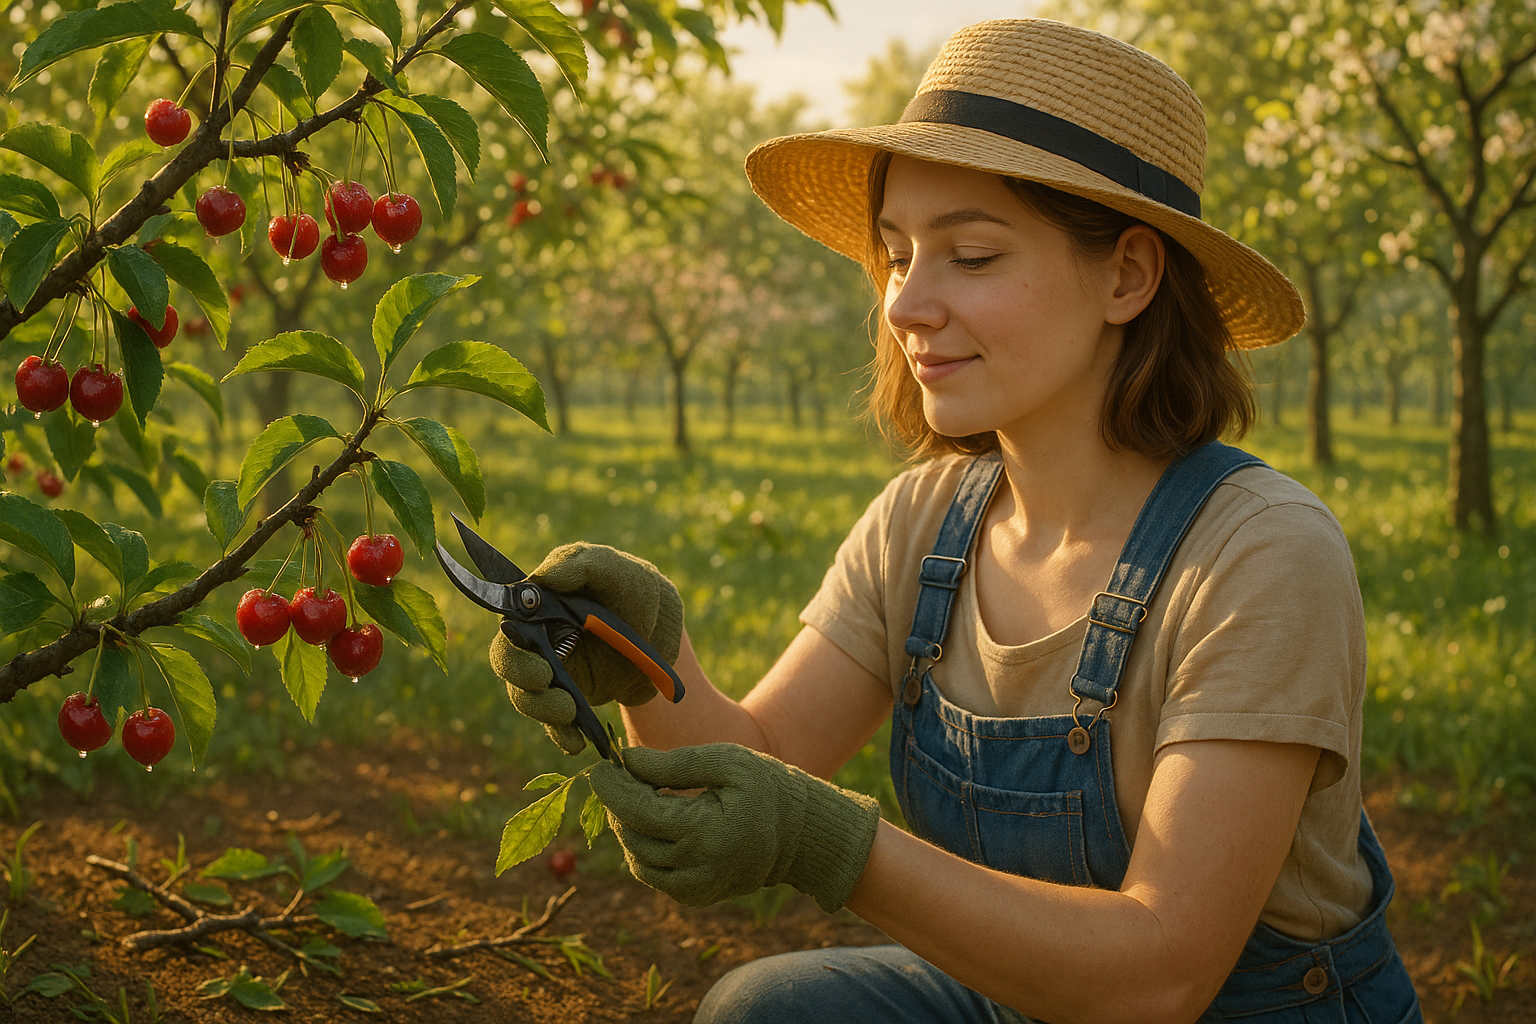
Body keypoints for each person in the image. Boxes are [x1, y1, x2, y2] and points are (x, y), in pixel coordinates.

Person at [489, 19, 1422, 1024]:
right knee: (763, 1010)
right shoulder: (927, 521)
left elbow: (1160, 974)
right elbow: (759, 756)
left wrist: (834, 847)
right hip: (1022, 999)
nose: (905, 304)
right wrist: (650, 664)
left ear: (1127, 277)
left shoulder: (1259, 555)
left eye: (971, 255)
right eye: (897, 256)